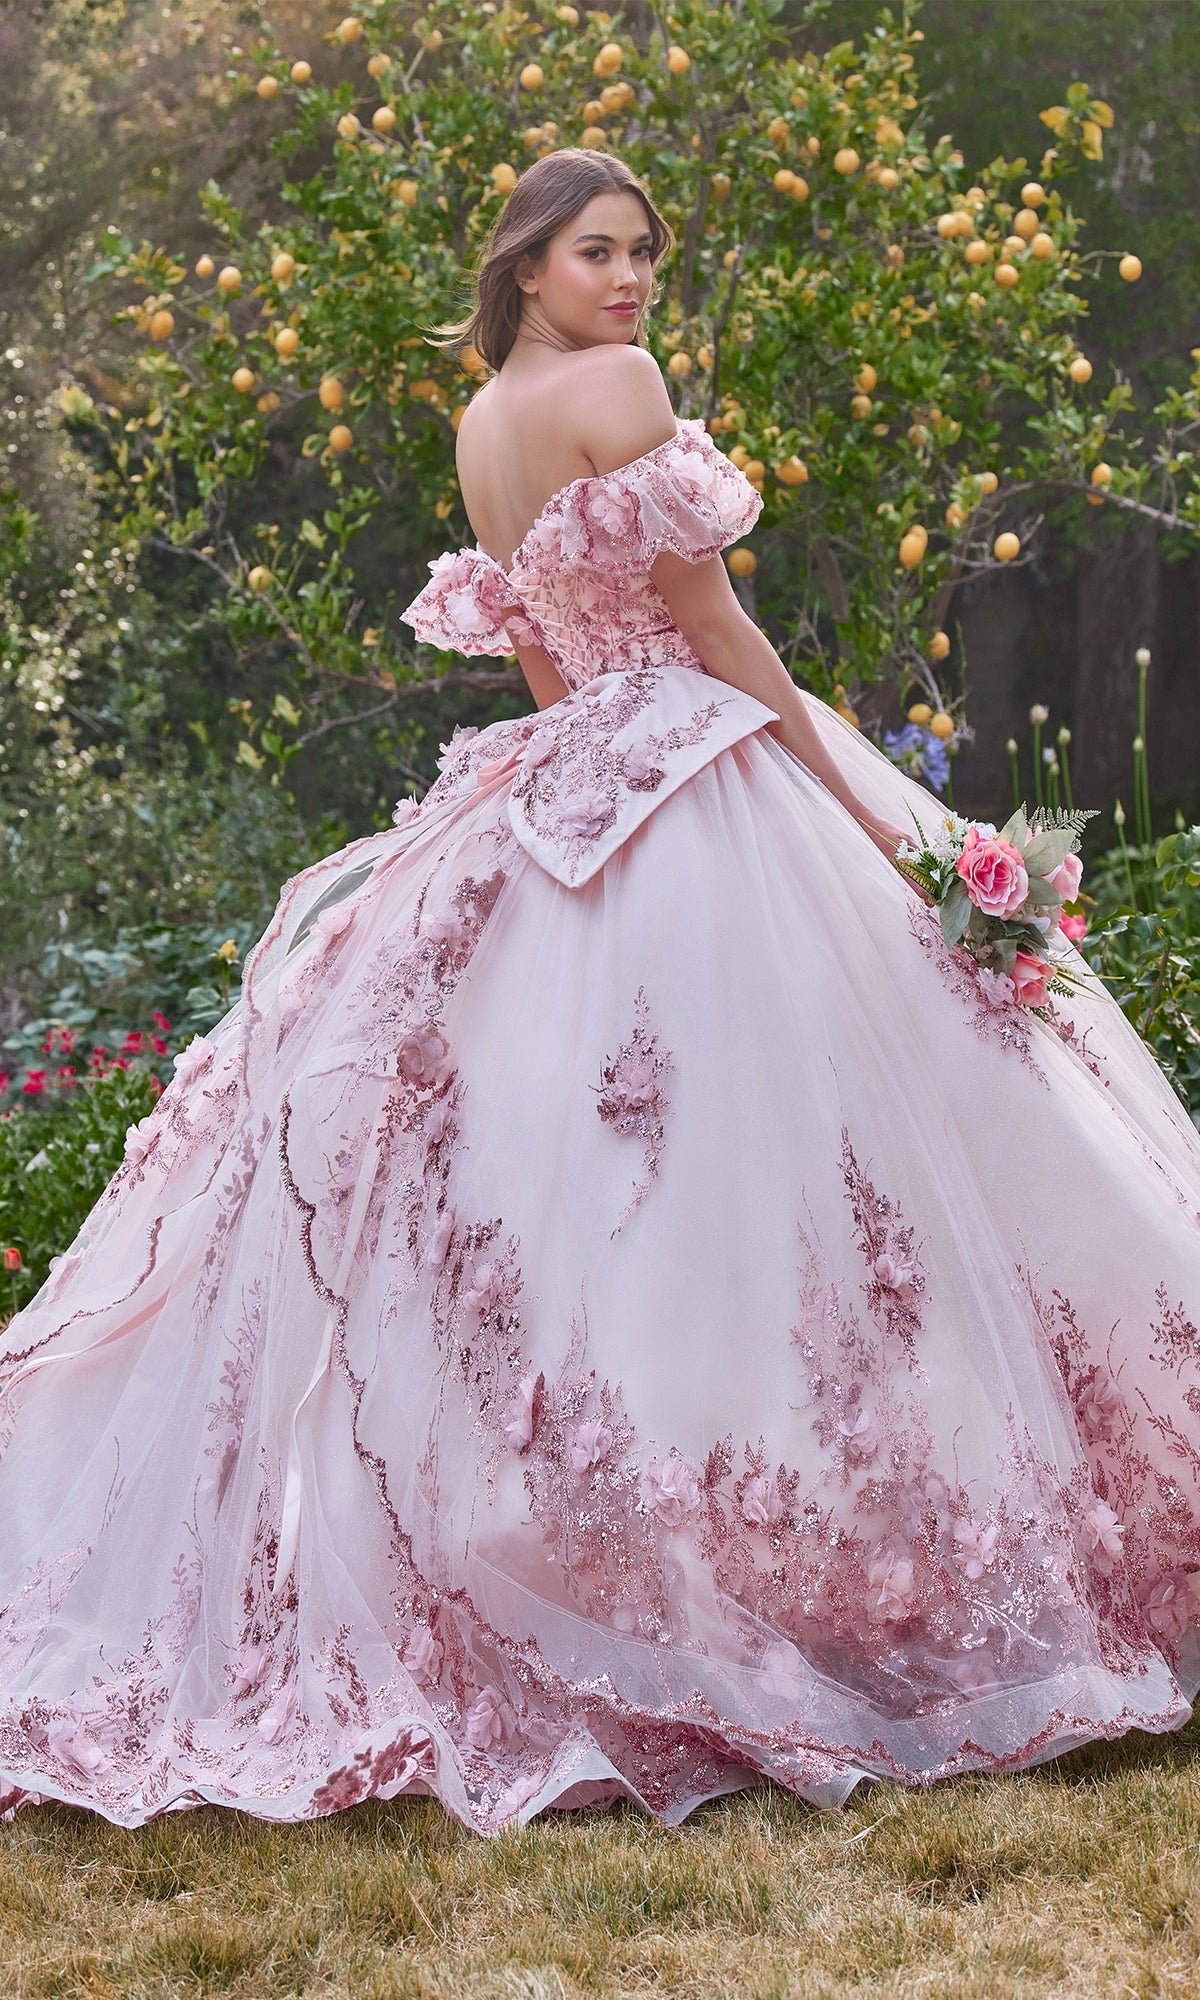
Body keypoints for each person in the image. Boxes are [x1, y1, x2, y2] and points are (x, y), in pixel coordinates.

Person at [0, 149, 1198, 1836]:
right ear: (532, 261)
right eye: (597, 251)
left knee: (606, 1195)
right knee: (791, 1164)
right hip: (691, 774)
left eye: (644, 252)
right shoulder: (618, 390)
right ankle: (810, 1548)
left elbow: (550, 670)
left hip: (565, 782)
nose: (630, 281)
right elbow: (713, 623)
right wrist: (864, 805)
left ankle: (656, 1541)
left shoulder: (488, 417)